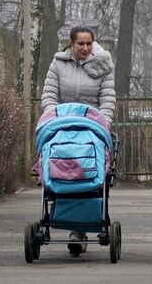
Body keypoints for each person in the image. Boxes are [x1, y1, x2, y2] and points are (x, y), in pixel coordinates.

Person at [41, 25, 116, 254]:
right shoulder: (58, 64)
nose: (85, 48)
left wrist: (101, 122)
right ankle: (73, 225)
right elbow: (50, 95)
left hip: (91, 128)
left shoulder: (103, 66)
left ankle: (79, 230)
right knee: (61, 168)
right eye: (80, 44)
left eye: (88, 43)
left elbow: (107, 98)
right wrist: (53, 118)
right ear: (71, 44)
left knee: (86, 170)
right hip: (62, 126)